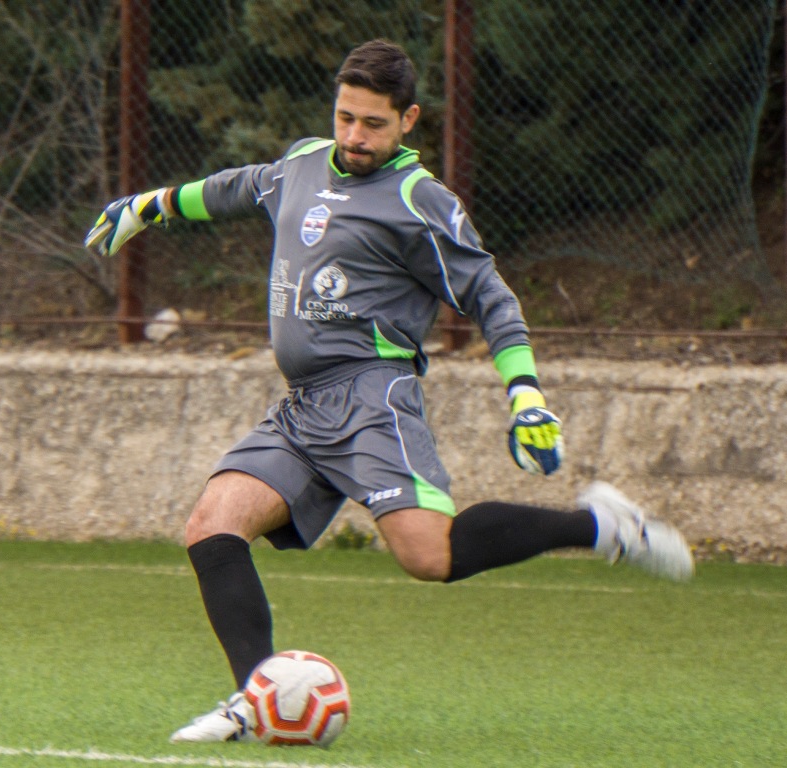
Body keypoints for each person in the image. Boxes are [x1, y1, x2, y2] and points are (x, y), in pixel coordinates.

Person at [86, 39, 693, 744]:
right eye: (345, 117)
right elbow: (238, 187)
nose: (354, 136)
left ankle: (602, 526)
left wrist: (526, 394)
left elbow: (490, 296)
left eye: (373, 124)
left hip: (371, 399)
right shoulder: (302, 164)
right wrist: (152, 204)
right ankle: (256, 700)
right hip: (302, 406)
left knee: (428, 556)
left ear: (407, 120)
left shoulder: (419, 200)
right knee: (211, 527)